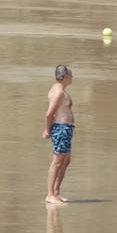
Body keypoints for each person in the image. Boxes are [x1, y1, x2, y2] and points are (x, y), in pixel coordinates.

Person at [41, 66, 74, 204]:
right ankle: (50, 194)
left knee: (66, 160)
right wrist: (47, 130)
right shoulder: (58, 92)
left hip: (65, 128)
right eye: (71, 74)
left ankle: (56, 192)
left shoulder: (60, 90)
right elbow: (49, 114)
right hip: (61, 128)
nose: (72, 76)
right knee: (57, 161)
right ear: (65, 76)